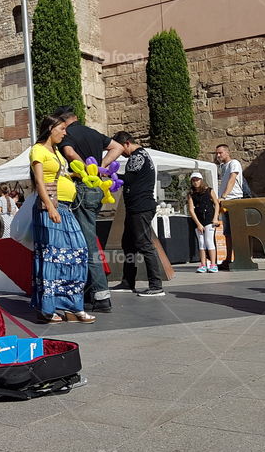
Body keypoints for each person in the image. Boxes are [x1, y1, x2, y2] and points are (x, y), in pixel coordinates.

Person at [29, 113, 94, 323]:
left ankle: (71, 304)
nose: (65, 133)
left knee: (78, 251)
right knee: (52, 256)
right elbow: (39, 181)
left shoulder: (55, 151)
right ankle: (48, 307)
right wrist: (50, 207)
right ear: (51, 129)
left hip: (65, 207)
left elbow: (56, 175)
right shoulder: (37, 150)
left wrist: (72, 176)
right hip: (51, 208)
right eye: (62, 129)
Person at [58, 107, 124, 313]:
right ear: (76, 118)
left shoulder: (68, 135)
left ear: (63, 122)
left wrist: (84, 169)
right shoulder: (93, 133)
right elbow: (118, 147)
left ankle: (101, 296)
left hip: (83, 189)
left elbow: (69, 152)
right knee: (86, 240)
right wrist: (100, 166)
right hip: (96, 190)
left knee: (87, 245)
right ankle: (88, 291)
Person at [109, 132, 166, 297]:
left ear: (126, 143)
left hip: (141, 207)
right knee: (128, 244)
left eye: (119, 149)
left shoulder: (137, 156)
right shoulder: (141, 156)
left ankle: (156, 285)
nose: (119, 153)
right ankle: (128, 282)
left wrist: (109, 174)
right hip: (135, 207)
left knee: (144, 244)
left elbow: (129, 179)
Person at [215, 144, 244, 269]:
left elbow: (232, 179)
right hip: (226, 202)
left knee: (237, 231)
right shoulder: (222, 167)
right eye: (217, 153)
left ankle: (240, 257)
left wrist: (224, 195)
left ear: (227, 152)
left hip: (234, 199)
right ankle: (228, 258)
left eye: (220, 153)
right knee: (228, 232)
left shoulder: (234, 163)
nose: (218, 155)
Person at [187, 171, 220, 273]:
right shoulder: (191, 194)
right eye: (193, 180)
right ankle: (203, 264)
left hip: (209, 219)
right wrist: (198, 224)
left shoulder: (209, 191)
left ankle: (213, 264)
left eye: (197, 180)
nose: (195, 182)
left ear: (201, 180)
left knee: (209, 241)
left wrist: (215, 218)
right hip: (199, 220)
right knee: (201, 242)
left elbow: (216, 204)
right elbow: (191, 210)